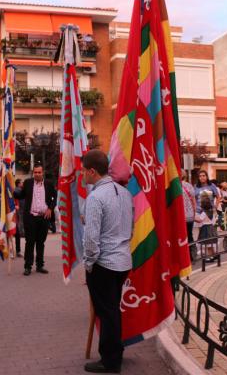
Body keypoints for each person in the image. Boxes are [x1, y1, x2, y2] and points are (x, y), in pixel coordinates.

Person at [81, 150, 133, 374]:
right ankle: (115, 352)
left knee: (108, 312)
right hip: (122, 261)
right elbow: (129, 228)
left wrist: (89, 264)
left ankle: (111, 360)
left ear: (92, 171)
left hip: (103, 263)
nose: (82, 175)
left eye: (84, 170)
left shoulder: (96, 197)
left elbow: (91, 239)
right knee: (112, 310)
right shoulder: (124, 193)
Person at [14, 163, 56, 276]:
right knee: (30, 242)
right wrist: (11, 192)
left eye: (39, 172)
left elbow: (54, 197)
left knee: (40, 242)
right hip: (30, 217)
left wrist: (50, 209)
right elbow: (21, 195)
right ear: (33, 173)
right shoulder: (28, 183)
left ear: (43, 173)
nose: (37, 174)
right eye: (35, 172)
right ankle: (28, 266)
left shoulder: (49, 184)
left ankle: (40, 265)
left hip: (44, 218)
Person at [181, 171, 196, 262]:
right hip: (190, 216)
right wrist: (194, 213)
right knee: (189, 235)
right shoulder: (189, 186)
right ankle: (191, 256)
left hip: (181, 216)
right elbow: (193, 201)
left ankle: (184, 257)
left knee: (182, 236)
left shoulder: (175, 186)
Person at [14, 179, 25, 258]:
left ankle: (17, 250)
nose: (23, 184)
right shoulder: (17, 191)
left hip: (18, 212)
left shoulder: (20, 190)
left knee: (17, 233)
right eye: (21, 183)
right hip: (16, 213)